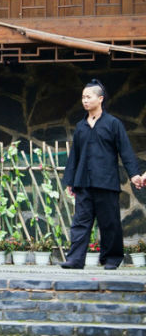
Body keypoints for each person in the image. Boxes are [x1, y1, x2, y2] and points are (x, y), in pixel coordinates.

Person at [60, 79, 142, 270]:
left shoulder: (113, 124)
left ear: (100, 99)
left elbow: (126, 151)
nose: (85, 100)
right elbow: (75, 156)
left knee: (110, 222)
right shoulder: (81, 126)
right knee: (80, 222)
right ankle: (75, 259)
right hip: (83, 182)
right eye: (83, 97)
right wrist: (71, 181)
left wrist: (134, 175)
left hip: (106, 182)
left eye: (88, 97)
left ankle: (111, 259)